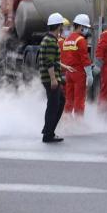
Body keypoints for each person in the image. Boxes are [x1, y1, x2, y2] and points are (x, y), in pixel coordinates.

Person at [40, 13, 66, 143]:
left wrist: (62, 65)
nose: (62, 28)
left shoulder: (48, 39)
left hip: (50, 78)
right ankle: (48, 134)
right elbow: (49, 62)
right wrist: (53, 79)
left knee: (59, 102)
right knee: (53, 106)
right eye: (61, 25)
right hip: (50, 79)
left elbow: (51, 59)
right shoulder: (50, 41)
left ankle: (48, 130)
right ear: (58, 26)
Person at [61, 14, 94, 116]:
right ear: (80, 26)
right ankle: (78, 123)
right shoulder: (81, 40)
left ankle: (67, 121)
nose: (86, 30)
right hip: (79, 73)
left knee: (69, 99)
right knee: (79, 99)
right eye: (85, 27)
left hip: (69, 73)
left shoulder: (66, 40)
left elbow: (64, 58)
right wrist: (89, 74)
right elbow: (85, 59)